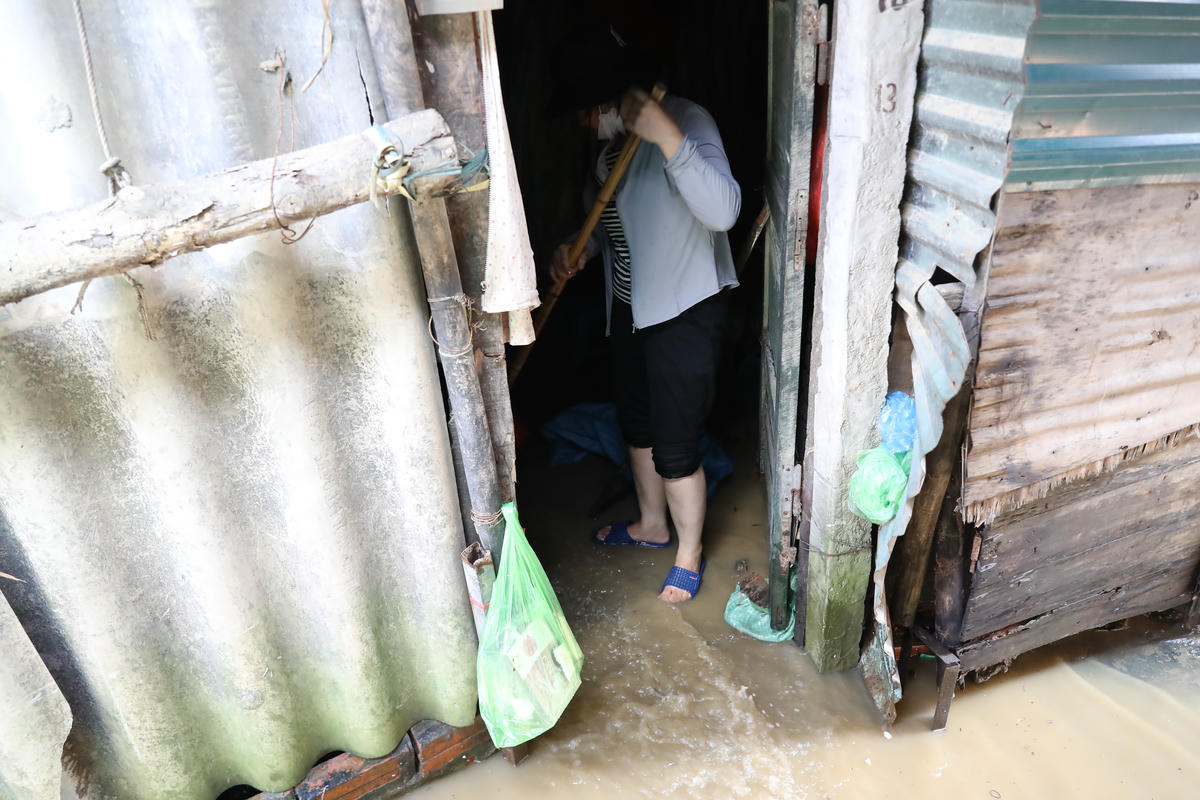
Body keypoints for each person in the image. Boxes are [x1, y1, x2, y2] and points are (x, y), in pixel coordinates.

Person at [549, 30, 741, 603]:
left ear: (613, 98)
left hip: (685, 309)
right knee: (636, 424)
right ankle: (651, 525)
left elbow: (724, 210)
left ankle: (688, 553)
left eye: (587, 109)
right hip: (630, 309)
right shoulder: (608, 151)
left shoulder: (686, 120)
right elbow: (609, 228)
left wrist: (667, 138)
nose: (583, 122)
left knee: (675, 443)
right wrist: (576, 250)